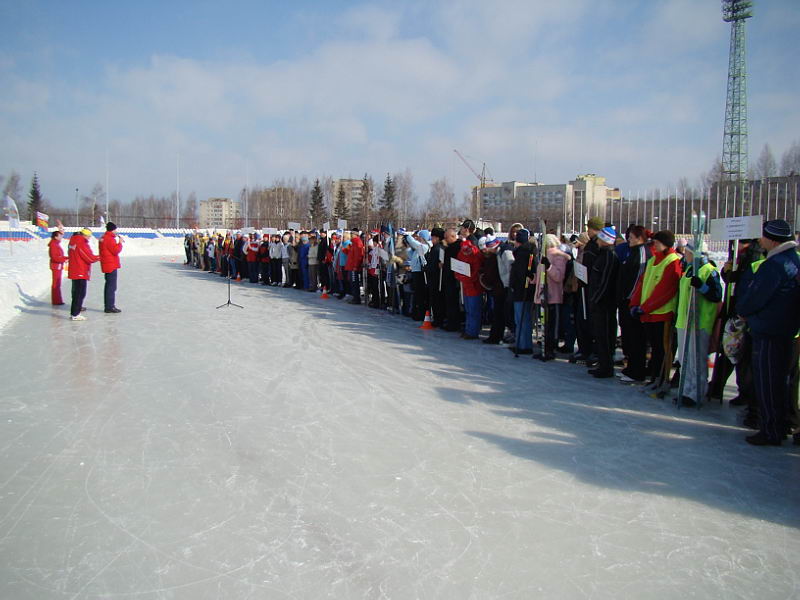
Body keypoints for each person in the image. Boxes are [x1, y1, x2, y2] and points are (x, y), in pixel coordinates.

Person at [736, 219, 800, 446]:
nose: (760, 240)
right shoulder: (794, 260)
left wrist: (743, 311)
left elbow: (757, 296)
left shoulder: (774, 265)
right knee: (781, 381)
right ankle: (780, 425)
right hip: (786, 330)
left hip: (769, 329)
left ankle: (771, 428)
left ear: (772, 240)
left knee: (767, 381)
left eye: (763, 236)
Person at [629, 230, 682, 390]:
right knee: (654, 347)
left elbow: (665, 291)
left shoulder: (673, 262)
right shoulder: (654, 260)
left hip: (662, 313)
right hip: (648, 313)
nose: (654, 245)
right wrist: (634, 303)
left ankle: (661, 377)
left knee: (662, 348)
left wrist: (644, 307)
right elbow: (642, 283)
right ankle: (653, 376)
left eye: (657, 242)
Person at [674, 241, 722, 407]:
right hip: (684, 321)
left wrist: (702, 287)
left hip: (699, 323)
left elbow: (716, 295)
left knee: (697, 360)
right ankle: (686, 390)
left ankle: (697, 393)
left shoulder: (709, 271)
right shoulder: (688, 269)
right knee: (684, 359)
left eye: (687, 252)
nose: (684, 254)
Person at [616, 226, 652, 383]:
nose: (628, 239)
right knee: (629, 336)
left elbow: (639, 278)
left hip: (633, 302)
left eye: (631, 237)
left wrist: (630, 298)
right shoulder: (634, 251)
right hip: (626, 300)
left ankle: (637, 370)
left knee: (637, 338)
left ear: (639, 237)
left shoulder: (643, 252)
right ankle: (631, 367)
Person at [586, 226, 620, 377]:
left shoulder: (609, 256)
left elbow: (605, 281)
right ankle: (602, 363)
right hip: (598, 301)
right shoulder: (602, 255)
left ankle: (606, 367)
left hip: (604, 303)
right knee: (599, 336)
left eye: (600, 238)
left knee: (605, 336)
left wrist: (596, 299)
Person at [534, 233, 571, 361]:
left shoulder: (558, 256)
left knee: (552, 325)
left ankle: (551, 349)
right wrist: (532, 279)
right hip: (542, 295)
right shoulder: (542, 256)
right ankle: (545, 348)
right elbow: (540, 276)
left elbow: (559, 277)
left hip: (553, 296)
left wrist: (549, 266)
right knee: (544, 325)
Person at [509, 228, 536, 354]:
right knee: (525, 319)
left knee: (521, 319)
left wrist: (515, 285)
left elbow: (521, 273)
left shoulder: (522, 253)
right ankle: (525, 343)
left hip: (522, 291)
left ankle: (523, 345)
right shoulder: (530, 251)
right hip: (526, 290)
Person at [454, 234, 484, 339]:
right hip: (466, 286)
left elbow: (476, 273)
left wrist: (464, 278)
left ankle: (472, 332)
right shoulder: (461, 254)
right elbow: (457, 266)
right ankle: (468, 329)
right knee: (467, 309)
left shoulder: (476, 255)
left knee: (473, 310)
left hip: (474, 287)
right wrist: (459, 276)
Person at [67, 228, 100, 321]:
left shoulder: (73, 241)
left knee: (76, 292)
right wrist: (99, 257)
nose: (89, 238)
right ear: (85, 235)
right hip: (80, 271)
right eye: (89, 236)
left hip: (75, 269)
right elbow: (89, 257)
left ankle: (75, 312)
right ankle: (75, 314)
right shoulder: (81, 242)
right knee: (80, 293)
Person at [98, 222, 123, 314]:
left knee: (110, 286)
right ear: (112, 229)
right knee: (111, 286)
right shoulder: (109, 239)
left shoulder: (104, 238)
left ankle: (109, 305)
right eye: (115, 229)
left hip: (107, 264)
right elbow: (115, 250)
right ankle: (109, 306)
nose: (116, 231)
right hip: (110, 265)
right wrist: (119, 243)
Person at [48, 230, 67, 305]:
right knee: (56, 283)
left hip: (58, 265)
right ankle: (56, 300)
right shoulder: (53, 245)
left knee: (57, 283)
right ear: (56, 237)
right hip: (56, 266)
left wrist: (65, 258)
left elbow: (58, 256)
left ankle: (57, 299)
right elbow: (54, 257)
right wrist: (64, 259)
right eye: (60, 236)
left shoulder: (56, 244)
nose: (61, 237)